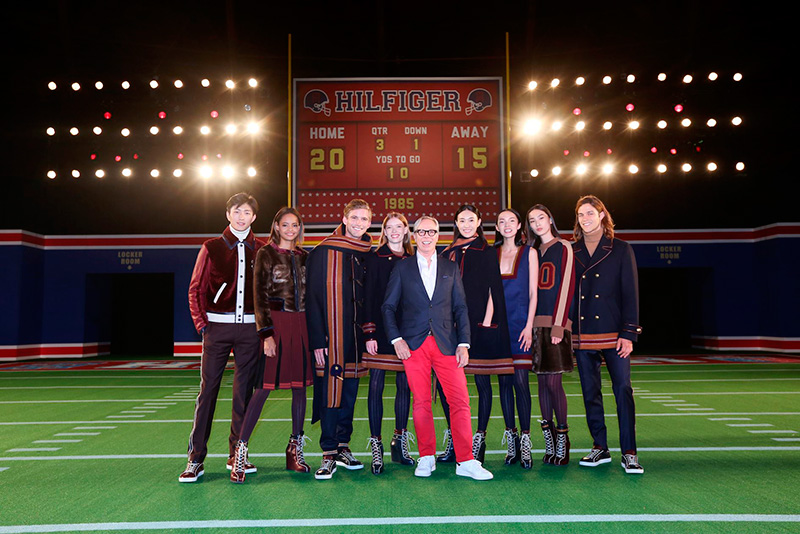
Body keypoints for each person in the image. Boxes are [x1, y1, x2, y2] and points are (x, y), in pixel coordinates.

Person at [382, 215, 493, 480]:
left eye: (431, 231)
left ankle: (466, 460)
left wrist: (464, 343)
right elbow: (388, 307)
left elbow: (461, 307)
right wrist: (397, 339)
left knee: (460, 401)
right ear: (414, 235)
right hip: (413, 345)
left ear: (438, 234)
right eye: (421, 232)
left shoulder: (450, 267)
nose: (426, 236)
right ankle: (427, 456)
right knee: (421, 402)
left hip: (447, 344)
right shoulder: (402, 268)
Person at [180, 192, 265, 483]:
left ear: (254, 217)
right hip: (217, 329)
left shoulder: (262, 248)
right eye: (237, 211)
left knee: (244, 394)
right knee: (208, 392)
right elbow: (196, 289)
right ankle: (195, 459)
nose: (242, 217)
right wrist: (202, 325)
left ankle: (236, 454)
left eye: (247, 213)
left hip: (251, 331)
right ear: (228, 213)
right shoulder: (212, 247)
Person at [229, 207, 313, 483]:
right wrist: (266, 334)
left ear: (300, 228)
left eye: (296, 225)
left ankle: (294, 449)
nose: (291, 229)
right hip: (276, 325)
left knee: (300, 388)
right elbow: (259, 296)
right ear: (276, 226)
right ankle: (240, 451)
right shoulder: (265, 253)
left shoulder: (305, 257)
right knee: (263, 388)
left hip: (302, 325)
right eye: (285, 224)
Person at [571, 195, 644, 474]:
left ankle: (629, 452)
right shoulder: (572, 250)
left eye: (590, 213)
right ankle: (599, 446)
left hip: (614, 332)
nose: (585, 219)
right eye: (580, 215)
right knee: (590, 392)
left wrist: (629, 332)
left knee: (622, 389)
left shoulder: (621, 249)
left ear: (602, 215)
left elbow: (631, 292)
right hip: (584, 333)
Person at [435, 204, 513, 465]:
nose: (466, 224)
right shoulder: (446, 252)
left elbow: (494, 290)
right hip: (449, 328)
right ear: (455, 223)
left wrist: (486, 323)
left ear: (479, 222)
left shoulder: (487, 251)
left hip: (478, 325)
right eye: (461, 220)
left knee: (481, 383)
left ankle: (478, 438)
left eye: (471, 219)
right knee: (448, 388)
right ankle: (454, 440)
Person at [306, 198, 373, 480]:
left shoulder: (369, 252)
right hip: (331, 336)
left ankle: (344, 446)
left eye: (365, 219)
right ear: (344, 219)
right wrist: (318, 339)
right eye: (354, 218)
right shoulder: (323, 252)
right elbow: (312, 299)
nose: (359, 224)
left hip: (357, 337)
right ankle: (328, 452)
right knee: (329, 392)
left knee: (350, 393)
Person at [362, 212, 414, 474]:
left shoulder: (415, 260)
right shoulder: (375, 258)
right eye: (389, 227)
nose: (394, 231)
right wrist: (369, 333)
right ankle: (376, 445)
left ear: (406, 231)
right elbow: (368, 296)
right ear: (384, 231)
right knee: (376, 386)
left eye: (399, 226)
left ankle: (399, 441)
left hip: (409, 333)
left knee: (405, 387)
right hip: (381, 333)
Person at [526, 204, 576, 466]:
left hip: (555, 325)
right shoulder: (532, 252)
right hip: (534, 325)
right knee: (542, 384)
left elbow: (567, 285)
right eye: (532, 220)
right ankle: (549, 439)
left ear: (550, 219)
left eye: (541, 218)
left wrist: (559, 325)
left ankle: (563, 438)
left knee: (554, 383)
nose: (537, 223)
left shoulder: (563, 247)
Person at [494, 208, 538, 468]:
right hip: (499, 328)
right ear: (497, 228)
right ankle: (511, 440)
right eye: (502, 221)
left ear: (519, 225)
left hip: (520, 324)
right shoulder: (493, 254)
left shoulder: (529, 252)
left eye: (511, 220)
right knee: (504, 384)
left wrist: (529, 326)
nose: (507, 225)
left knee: (521, 383)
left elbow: (534, 293)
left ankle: (525, 440)